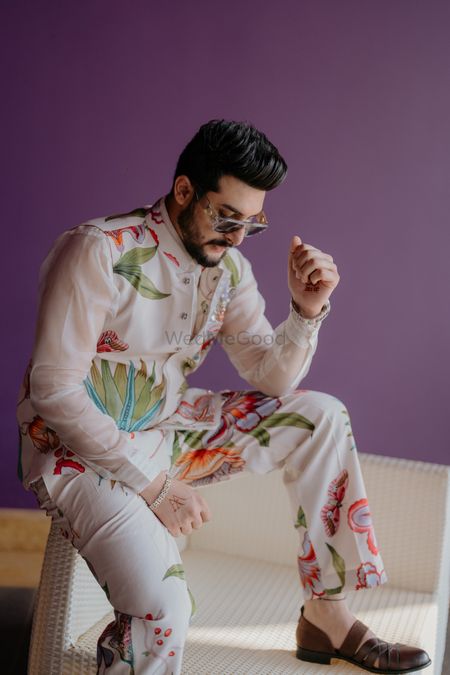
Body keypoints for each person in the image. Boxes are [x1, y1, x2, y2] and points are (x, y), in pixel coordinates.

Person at [17, 119, 431, 674]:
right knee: (164, 608)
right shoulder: (96, 251)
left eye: (251, 224)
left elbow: (271, 376)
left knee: (320, 415)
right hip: (79, 451)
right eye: (226, 217)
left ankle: (326, 616)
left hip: (169, 423)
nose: (237, 237)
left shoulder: (229, 267)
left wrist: (307, 313)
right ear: (184, 190)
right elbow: (53, 388)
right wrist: (157, 487)